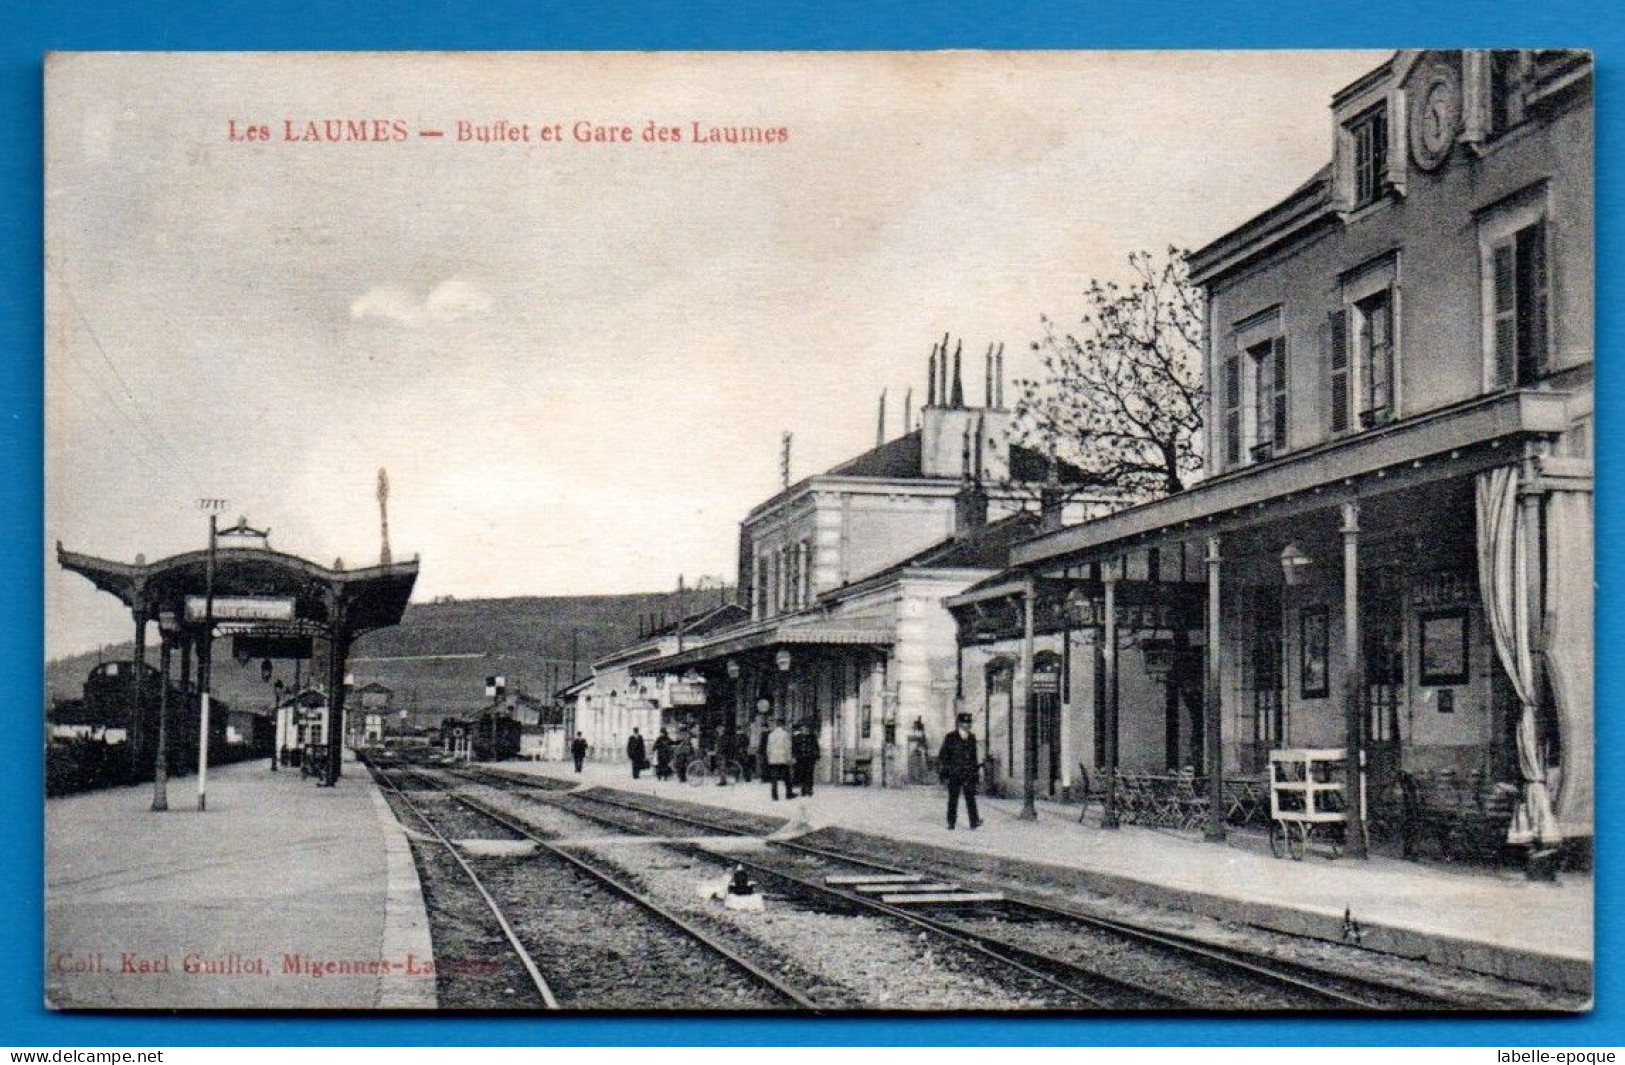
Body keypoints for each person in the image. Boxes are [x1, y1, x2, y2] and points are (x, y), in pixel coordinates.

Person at [937, 712, 982, 830]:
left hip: (968, 773)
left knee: (970, 798)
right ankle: (951, 822)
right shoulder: (950, 737)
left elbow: (974, 757)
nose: (967, 725)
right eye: (964, 723)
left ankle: (974, 822)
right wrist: (945, 772)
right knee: (953, 798)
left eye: (968, 723)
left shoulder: (972, 737)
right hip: (954, 773)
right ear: (959, 724)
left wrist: (976, 773)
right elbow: (943, 755)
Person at [765, 717, 793, 800]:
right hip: (782, 758)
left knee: (774, 778)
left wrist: (769, 757)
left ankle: (774, 796)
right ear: (783, 725)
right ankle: (789, 794)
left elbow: (768, 748)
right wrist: (789, 758)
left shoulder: (771, 735)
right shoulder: (785, 734)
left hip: (773, 759)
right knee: (787, 777)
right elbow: (787, 747)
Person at [791, 721, 820, 797]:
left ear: (808, 729)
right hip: (800, 759)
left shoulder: (812, 736)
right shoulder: (797, 737)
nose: (804, 729)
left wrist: (817, 756)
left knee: (810, 774)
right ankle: (803, 788)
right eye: (802, 728)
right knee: (802, 774)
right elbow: (794, 747)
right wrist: (794, 756)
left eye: (805, 728)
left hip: (810, 758)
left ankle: (809, 788)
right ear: (801, 729)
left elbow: (816, 747)